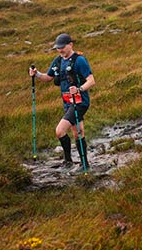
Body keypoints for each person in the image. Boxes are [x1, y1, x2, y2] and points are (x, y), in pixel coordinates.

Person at [29, 33, 95, 171]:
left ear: (70, 45)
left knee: (60, 131)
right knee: (78, 133)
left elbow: (91, 81)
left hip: (79, 101)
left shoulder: (79, 60)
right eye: (58, 48)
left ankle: (68, 161)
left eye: (62, 47)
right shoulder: (58, 61)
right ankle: (84, 164)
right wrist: (37, 74)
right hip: (67, 101)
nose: (60, 50)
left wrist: (79, 89)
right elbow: (48, 78)